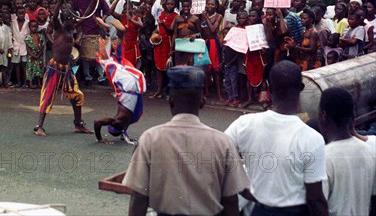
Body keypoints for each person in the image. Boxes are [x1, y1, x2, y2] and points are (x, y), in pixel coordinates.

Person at [123, 66, 249, 216]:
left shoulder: (150, 139)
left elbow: (139, 199)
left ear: (170, 101)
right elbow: (231, 201)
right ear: (202, 102)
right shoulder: (223, 142)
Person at [225, 61, 328, 216]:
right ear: (301, 88)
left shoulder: (244, 124)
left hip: (258, 209)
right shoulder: (312, 138)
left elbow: (219, 157)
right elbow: (315, 199)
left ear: (270, 89)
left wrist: (243, 189)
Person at [33, 0, 94, 137]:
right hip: (55, 68)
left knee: (77, 95)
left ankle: (78, 124)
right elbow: (54, 18)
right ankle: (39, 127)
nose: (74, 23)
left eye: (74, 20)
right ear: (64, 21)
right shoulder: (60, 29)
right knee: (48, 95)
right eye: (71, 20)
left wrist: (95, 0)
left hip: (67, 69)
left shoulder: (71, 28)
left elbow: (85, 16)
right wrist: (60, 0)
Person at [317, 88, 376, 215]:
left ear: (323, 116)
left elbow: (318, 206)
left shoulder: (324, 158)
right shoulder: (370, 151)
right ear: (353, 116)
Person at [94, 38, 146, 145]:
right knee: (130, 73)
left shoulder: (117, 121)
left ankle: (113, 40)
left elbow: (97, 122)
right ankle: (116, 41)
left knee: (116, 67)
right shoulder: (123, 122)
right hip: (129, 94)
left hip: (128, 91)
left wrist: (100, 139)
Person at [71, 0, 110, 86]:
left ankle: (101, 77)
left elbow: (108, 11)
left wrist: (101, 20)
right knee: (84, 57)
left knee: (99, 56)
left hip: (97, 31)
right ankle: (87, 77)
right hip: (83, 31)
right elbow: (73, 11)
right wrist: (78, 22)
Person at [151, 0, 178, 98]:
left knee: (169, 67)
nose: (169, 6)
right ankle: (159, 90)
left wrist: (163, 24)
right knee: (158, 66)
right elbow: (158, 27)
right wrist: (154, 33)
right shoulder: (161, 14)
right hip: (159, 42)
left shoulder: (175, 16)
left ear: (175, 5)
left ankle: (170, 91)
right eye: (168, 4)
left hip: (169, 42)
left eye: (172, 4)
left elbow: (171, 31)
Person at [25, 20, 45, 90]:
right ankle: (30, 83)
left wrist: (39, 54)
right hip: (31, 56)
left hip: (39, 55)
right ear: (29, 27)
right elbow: (28, 47)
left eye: (35, 27)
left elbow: (42, 46)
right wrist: (32, 55)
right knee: (30, 69)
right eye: (32, 27)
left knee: (39, 69)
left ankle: (39, 83)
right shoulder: (28, 37)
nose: (34, 28)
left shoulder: (41, 36)